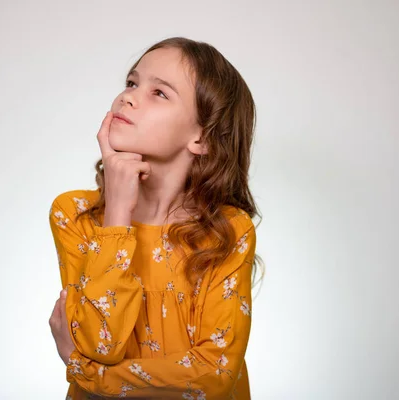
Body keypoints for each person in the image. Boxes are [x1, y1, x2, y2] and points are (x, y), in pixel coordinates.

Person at [48, 36, 263, 399]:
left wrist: (87, 374)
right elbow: (101, 345)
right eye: (132, 83)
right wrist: (117, 213)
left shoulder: (227, 233)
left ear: (202, 137)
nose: (127, 97)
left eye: (159, 93)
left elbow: (214, 374)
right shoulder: (76, 215)